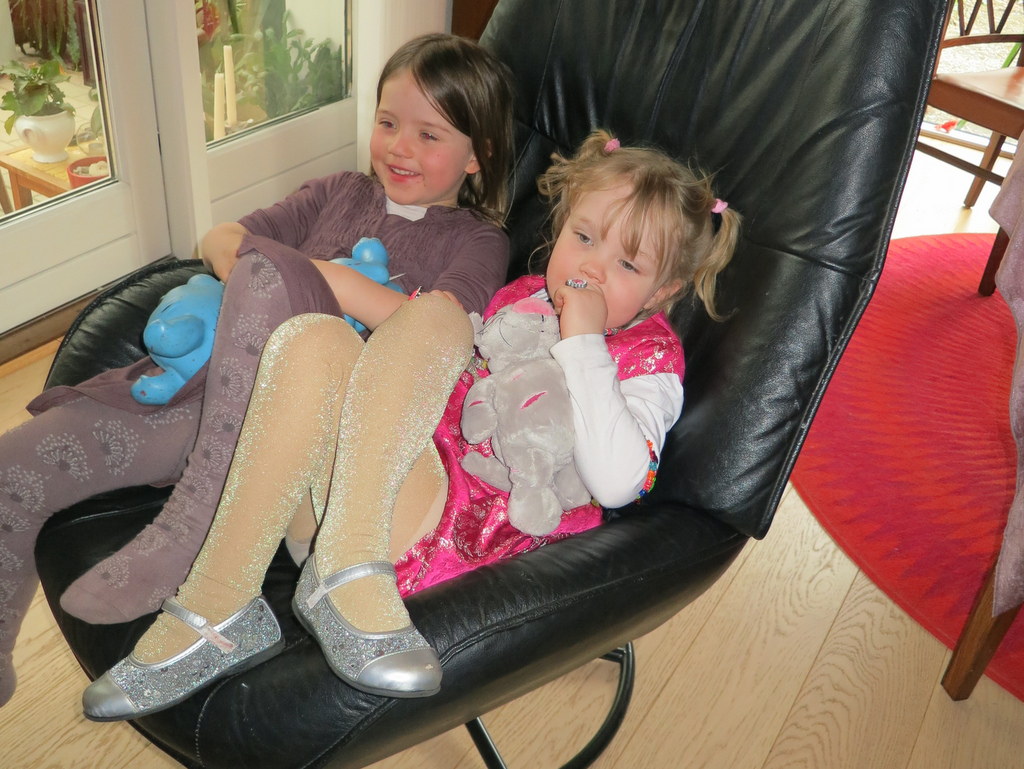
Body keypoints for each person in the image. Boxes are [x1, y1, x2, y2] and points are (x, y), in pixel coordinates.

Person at [81, 129, 742, 719]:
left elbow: (620, 483)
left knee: (441, 315)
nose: (591, 267)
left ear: (663, 291)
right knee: (315, 338)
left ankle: (336, 570)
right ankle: (221, 600)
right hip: (354, 515)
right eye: (584, 237)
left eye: (628, 264)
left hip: (446, 542)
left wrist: (584, 343)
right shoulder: (521, 298)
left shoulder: (651, 361)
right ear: (561, 226)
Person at [0, 32, 516, 708]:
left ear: (477, 155)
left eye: (429, 134)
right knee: (14, 467)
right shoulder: (337, 192)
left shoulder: (478, 240)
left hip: (299, 432)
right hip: (197, 393)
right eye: (388, 122)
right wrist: (267, 272)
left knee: (283, 286)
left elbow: (439, 334)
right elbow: (221, 238)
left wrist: (305, 276)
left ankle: (200, 540)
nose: (399, 147)